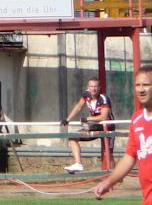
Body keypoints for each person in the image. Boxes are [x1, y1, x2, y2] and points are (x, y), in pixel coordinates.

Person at [95, 65, 152, 202]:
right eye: (137, 85)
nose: (141, 89)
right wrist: (109, 182)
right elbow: (130, 157)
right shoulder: (136, 120)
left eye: (146, 85)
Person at [61, 77, 115, 173]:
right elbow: (78, 106)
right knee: (73, 137)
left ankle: (116, 176)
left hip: (107, 127)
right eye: (91, 86)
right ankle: (78, 164)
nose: (93, 89)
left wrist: (87, 119)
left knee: (108, 154)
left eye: (95, 86)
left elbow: (103, 117)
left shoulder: (104, 98)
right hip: (95, 126)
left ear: (99, 87)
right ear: (88, 87)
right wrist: (67, 119)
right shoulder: (86, 95)